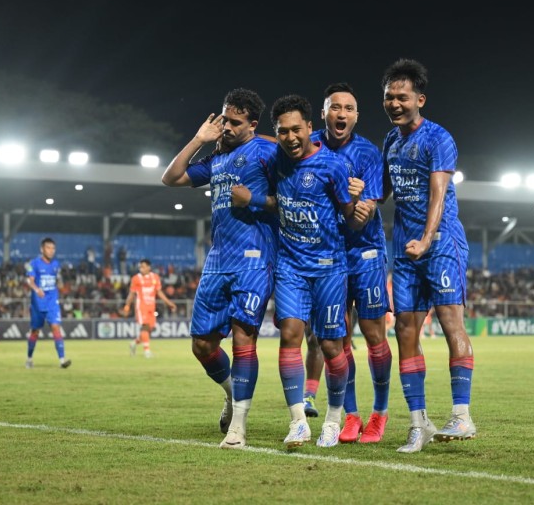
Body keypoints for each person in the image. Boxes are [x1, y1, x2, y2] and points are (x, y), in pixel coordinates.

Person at [161, 88, 278, 449]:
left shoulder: (267, 153)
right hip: (217, 260)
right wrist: (199, 139)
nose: (226, 127)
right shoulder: (217, 158)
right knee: (201, 345)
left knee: (244, 337)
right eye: (224, 119)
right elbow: (171, 178)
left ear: (253, 125)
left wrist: (254, 199)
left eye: (235, 122)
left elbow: (291, 200)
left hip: (255, 259)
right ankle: (231, 393)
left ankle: (238, 427)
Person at [258, 94, 366, 449]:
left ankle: (334, 420)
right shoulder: (275, 159)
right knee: (290, 334)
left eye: (296, 130)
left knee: (331, 345)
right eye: (282, 131)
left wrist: (358, 205)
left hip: (329, 267)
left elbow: (349, 216)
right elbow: (256, 145)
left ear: (309, 127)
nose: (290, 137)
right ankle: (298, 422)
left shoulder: (333, 166)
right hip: (290, 266)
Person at [381, 58, 476, 453]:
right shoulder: (390, 141)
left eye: (402, 97)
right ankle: (418, 423)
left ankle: (462, 414)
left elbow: (438, 195)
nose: (394, 103)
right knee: (405, 330)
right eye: (389, 97)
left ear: (419, 99)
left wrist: (426, 238)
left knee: (451, 322)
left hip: (440, 244)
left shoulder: (439, 138)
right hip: (405, 249)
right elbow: (381, 192)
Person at [310, 82, 393, 444]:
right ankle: (352, 415)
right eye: (335, 107)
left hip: (366, 253)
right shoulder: (309, 145)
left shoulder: (368, 154)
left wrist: (354, 202)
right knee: (337, 339)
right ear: (323, 113)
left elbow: (362, 217)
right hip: (328, 254)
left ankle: (379, 414)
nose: (341, 114)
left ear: (356, 116)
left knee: (373, 335)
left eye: (348, 108)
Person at [25, 237, 72, 369]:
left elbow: (58, 280)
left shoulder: (56, 264)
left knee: (56, 327)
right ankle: (29, 358)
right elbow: (30, 280)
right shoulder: (34, 263)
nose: (51, 251)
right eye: (48, 248)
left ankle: (62, 360)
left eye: (53, 248)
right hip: (38, 303)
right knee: (35, 332)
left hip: (52, 302)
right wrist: (37, 289)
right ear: (42, 249)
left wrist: (61, 284)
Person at [122, 258, 177, 358]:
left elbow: (159, 292)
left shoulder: (155, 277)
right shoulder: (136, 278)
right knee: (145, 326)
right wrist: (127, 305)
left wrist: (169, 303)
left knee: (149, 329)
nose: (141, 269)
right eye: (140, 267)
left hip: (151, 307)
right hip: (141, 306)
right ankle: (147, 351)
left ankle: (134, 343)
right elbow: (132, 293)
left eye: (143, 267)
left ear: (148, 267)